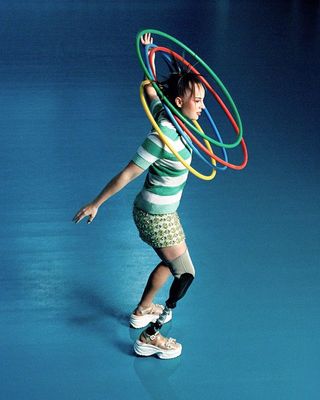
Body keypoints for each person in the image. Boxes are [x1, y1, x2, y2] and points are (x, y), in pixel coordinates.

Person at [73, 33, 206, 359]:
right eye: (197, 101)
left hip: (163, 212)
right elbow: (127, 173)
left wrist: (150, 50)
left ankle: (143, 309)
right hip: (155, 216)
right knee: (186, 273)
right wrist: (96, 203)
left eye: (203, 100)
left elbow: (149, 88)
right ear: (180, 104)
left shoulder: (169, 113)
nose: (203, 106)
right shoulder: (161, 137)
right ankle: (150, 335)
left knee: (171, 262)